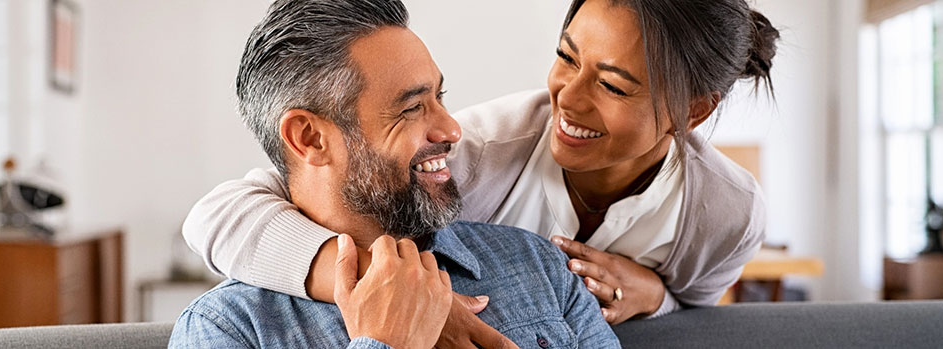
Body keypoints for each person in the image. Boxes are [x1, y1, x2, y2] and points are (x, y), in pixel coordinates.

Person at [183, 0, 778, 329]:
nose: (567, 99)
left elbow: (696, 312)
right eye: (566, 58)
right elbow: (233, 208)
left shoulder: (726, 212)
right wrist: (373, 283)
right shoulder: (474, 153)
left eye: (615, 87)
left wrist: (655, 294)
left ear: (692, 112)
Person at [170, 0, 619, 347]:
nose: (451, 128)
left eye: (440, 97)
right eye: (410, 109)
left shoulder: (539, 266)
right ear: (309, 138)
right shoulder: (229, 329)